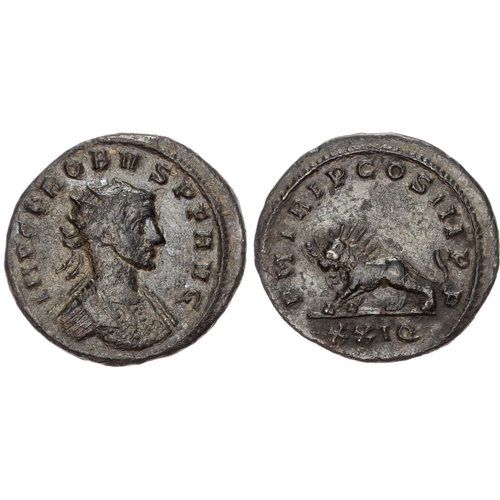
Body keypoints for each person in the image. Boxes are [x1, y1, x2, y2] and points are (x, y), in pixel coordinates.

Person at [58, 179, 177, 350]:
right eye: (140, 225)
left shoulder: (152, 304)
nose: (157, 237)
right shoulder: (80, 319)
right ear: (106, 233)